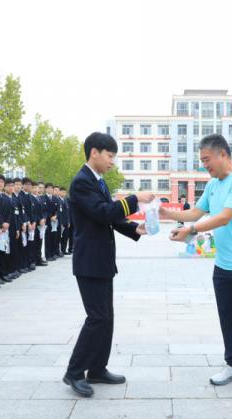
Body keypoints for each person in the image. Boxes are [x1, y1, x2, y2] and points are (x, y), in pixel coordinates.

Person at [162, 134, 232, 403]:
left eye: (207, 159)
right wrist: (168, 213)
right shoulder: (212, 185)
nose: (204, 165)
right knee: (227, 318)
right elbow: (195, 213)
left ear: (223, 154)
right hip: (223, 265)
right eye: (202, 161)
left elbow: (223, 218)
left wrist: (191, 231)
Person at [62, 132, 154, 398]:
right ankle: (74, 372)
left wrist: (135, 228)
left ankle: (97, 368)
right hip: (89, 261)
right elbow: (102, 212)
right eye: (110, 156)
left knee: (106, 318)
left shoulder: (97, 181)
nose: (112, 161)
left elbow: (110, 217)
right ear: (95, 152)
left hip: (101, 260)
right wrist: (135, 198)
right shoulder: (82, 182)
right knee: (97, 318)